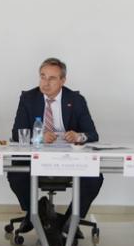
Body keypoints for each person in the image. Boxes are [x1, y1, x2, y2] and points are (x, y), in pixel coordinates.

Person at [7, 58, 103, 229]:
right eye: (42, 76)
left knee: (94, 177)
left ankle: (70, 222)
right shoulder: (28, 98)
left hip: (69, 158)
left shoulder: (76, 99)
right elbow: (16, 133)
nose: (45, 83)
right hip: (35, 156)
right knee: (16, 174)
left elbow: (92, 134)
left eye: (52, 78)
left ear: (62, 80)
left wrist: (78, 136)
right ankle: (35, 214)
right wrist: (38, 137)